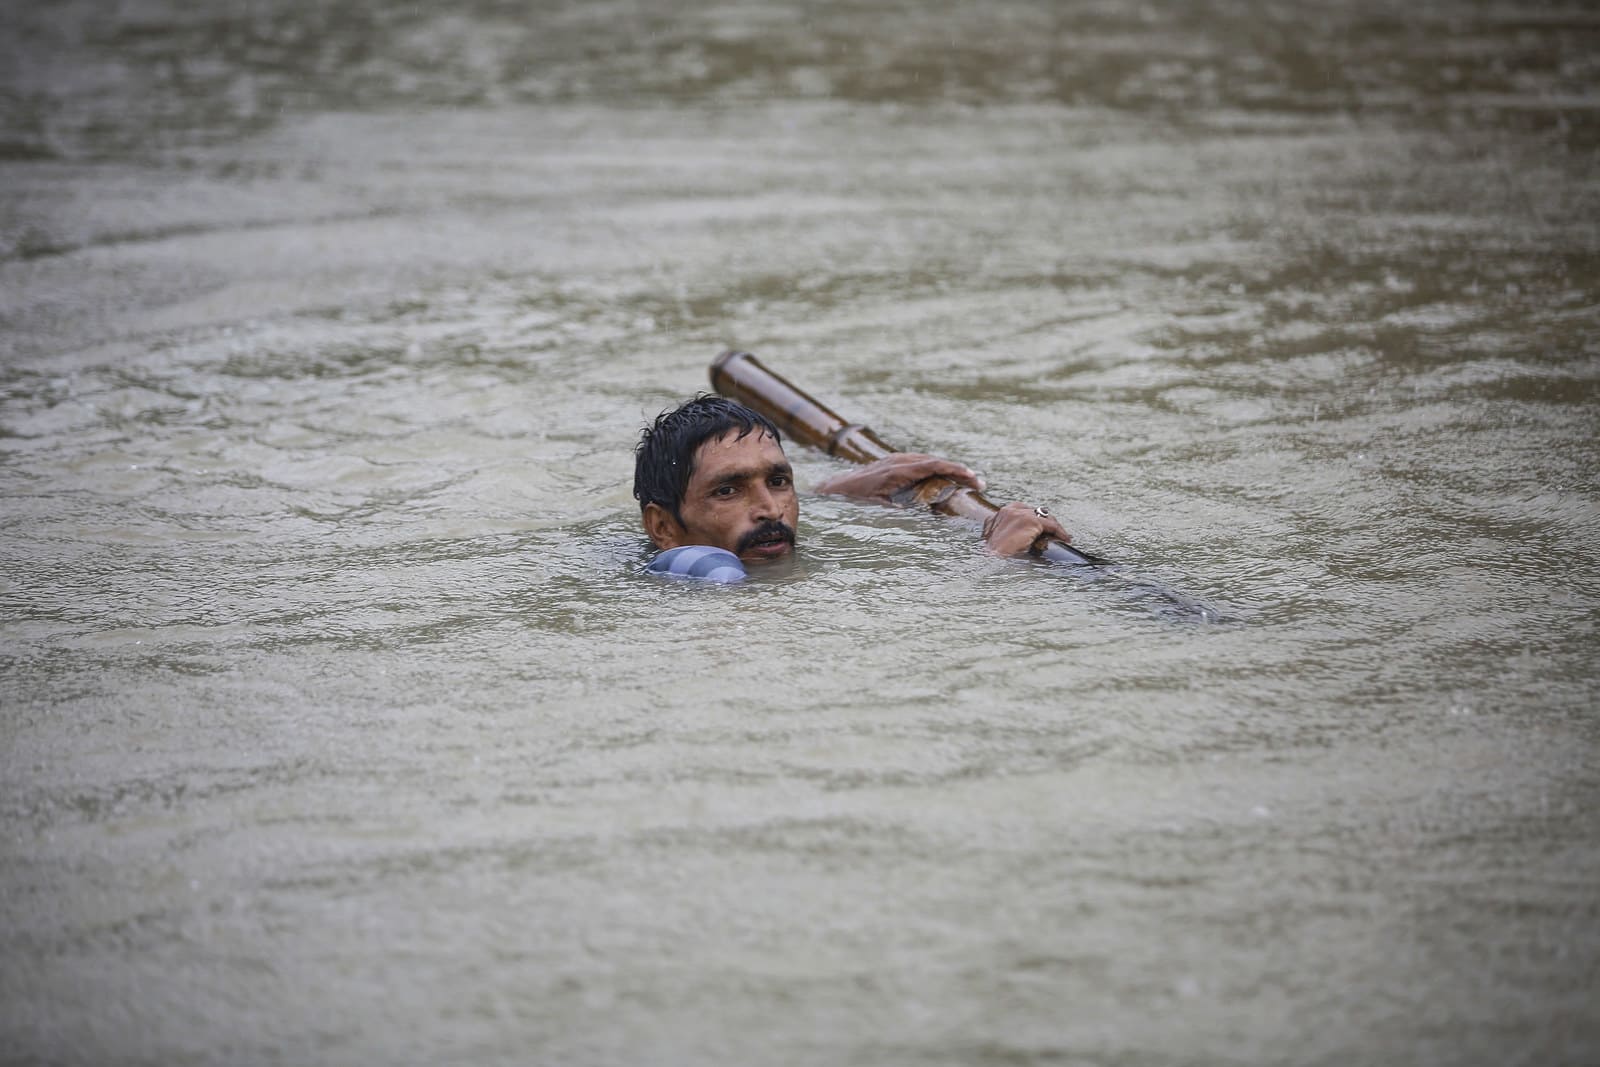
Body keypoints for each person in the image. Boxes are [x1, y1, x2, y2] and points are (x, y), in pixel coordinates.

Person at [633, 395, 1073, 580]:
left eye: (779, 480)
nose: (770, 509)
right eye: (728, 491)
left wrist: (836, 490)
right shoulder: (696, 601)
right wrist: (992, 560)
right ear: (664, 528)